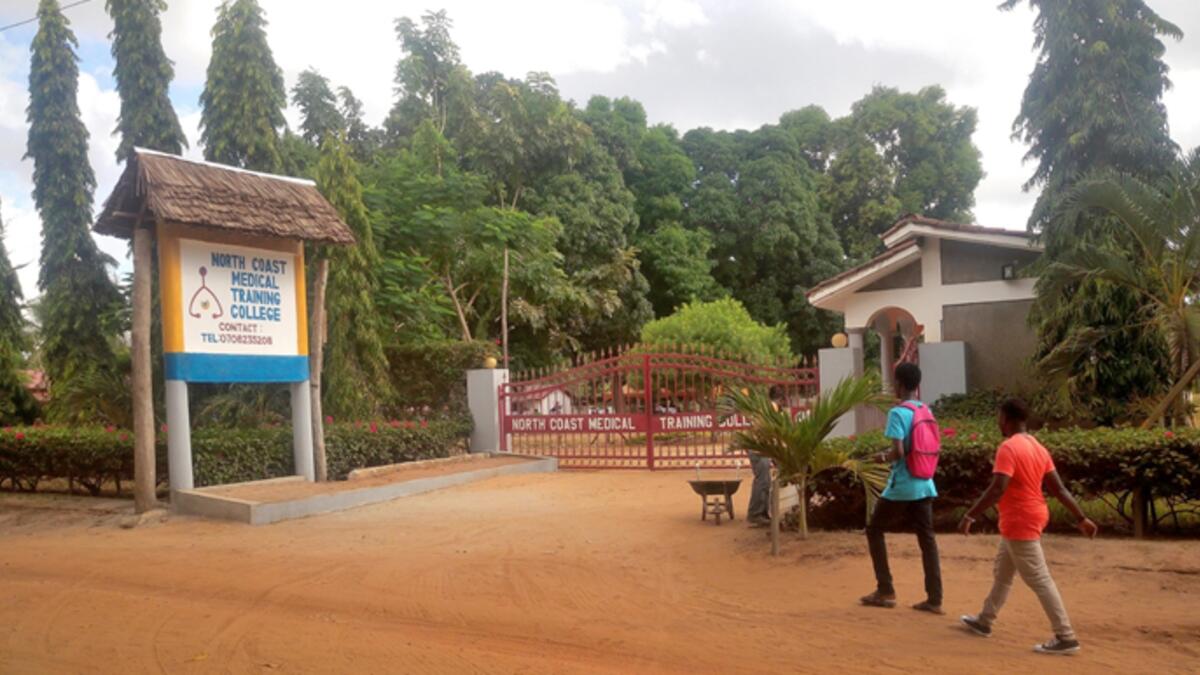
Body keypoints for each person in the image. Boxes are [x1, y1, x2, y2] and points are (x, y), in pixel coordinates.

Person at [958, 398, 1098, 656]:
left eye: (999, 417)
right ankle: (984, 621)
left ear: (1007, 419)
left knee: (1040, 579)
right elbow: (1058, 488)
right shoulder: (1037, 447)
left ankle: (1066, 636)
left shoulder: (1008, 448)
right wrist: (1080, 517)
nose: (998, 422)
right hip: (1028, 517)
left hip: (1020, 520)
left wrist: (970, 515)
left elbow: (997, 488)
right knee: (1003, 572)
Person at [860, 362, 943, 614]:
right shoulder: (925, 410)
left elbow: (897, 451)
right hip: (925, 483)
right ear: (917, 384)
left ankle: (885, 589)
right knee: (927, 539)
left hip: (903, 485)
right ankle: (935, 598)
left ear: (899, 383)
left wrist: (880, 458)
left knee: (874, 530)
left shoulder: (898, 413)